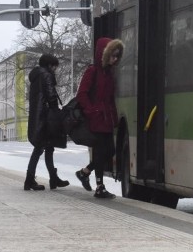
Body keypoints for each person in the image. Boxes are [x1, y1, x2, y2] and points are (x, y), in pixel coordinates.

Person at [74, 37, 124, 199]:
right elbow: (82, 94)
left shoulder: (108, 73)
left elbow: (110, 99)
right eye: (113, 55)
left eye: (117, 56)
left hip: (106, 118)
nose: (115, 59)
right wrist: (92, 111)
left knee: (109, 151)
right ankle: (99, 186)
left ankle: (85, 172)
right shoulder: (93, 71)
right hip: (96, 119)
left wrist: (114, 117)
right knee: (101, 152)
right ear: (104, 54)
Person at [25, 54, 70, 191]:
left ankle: (53, 179)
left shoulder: (36, 76)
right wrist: (56, 113)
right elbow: (51, 96)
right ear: (50, 65)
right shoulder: (46, 75)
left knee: (48, 147)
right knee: (40, 148)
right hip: (45, 118)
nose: (55, 69)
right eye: (55, 66)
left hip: (38, 116)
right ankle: (29, 180)